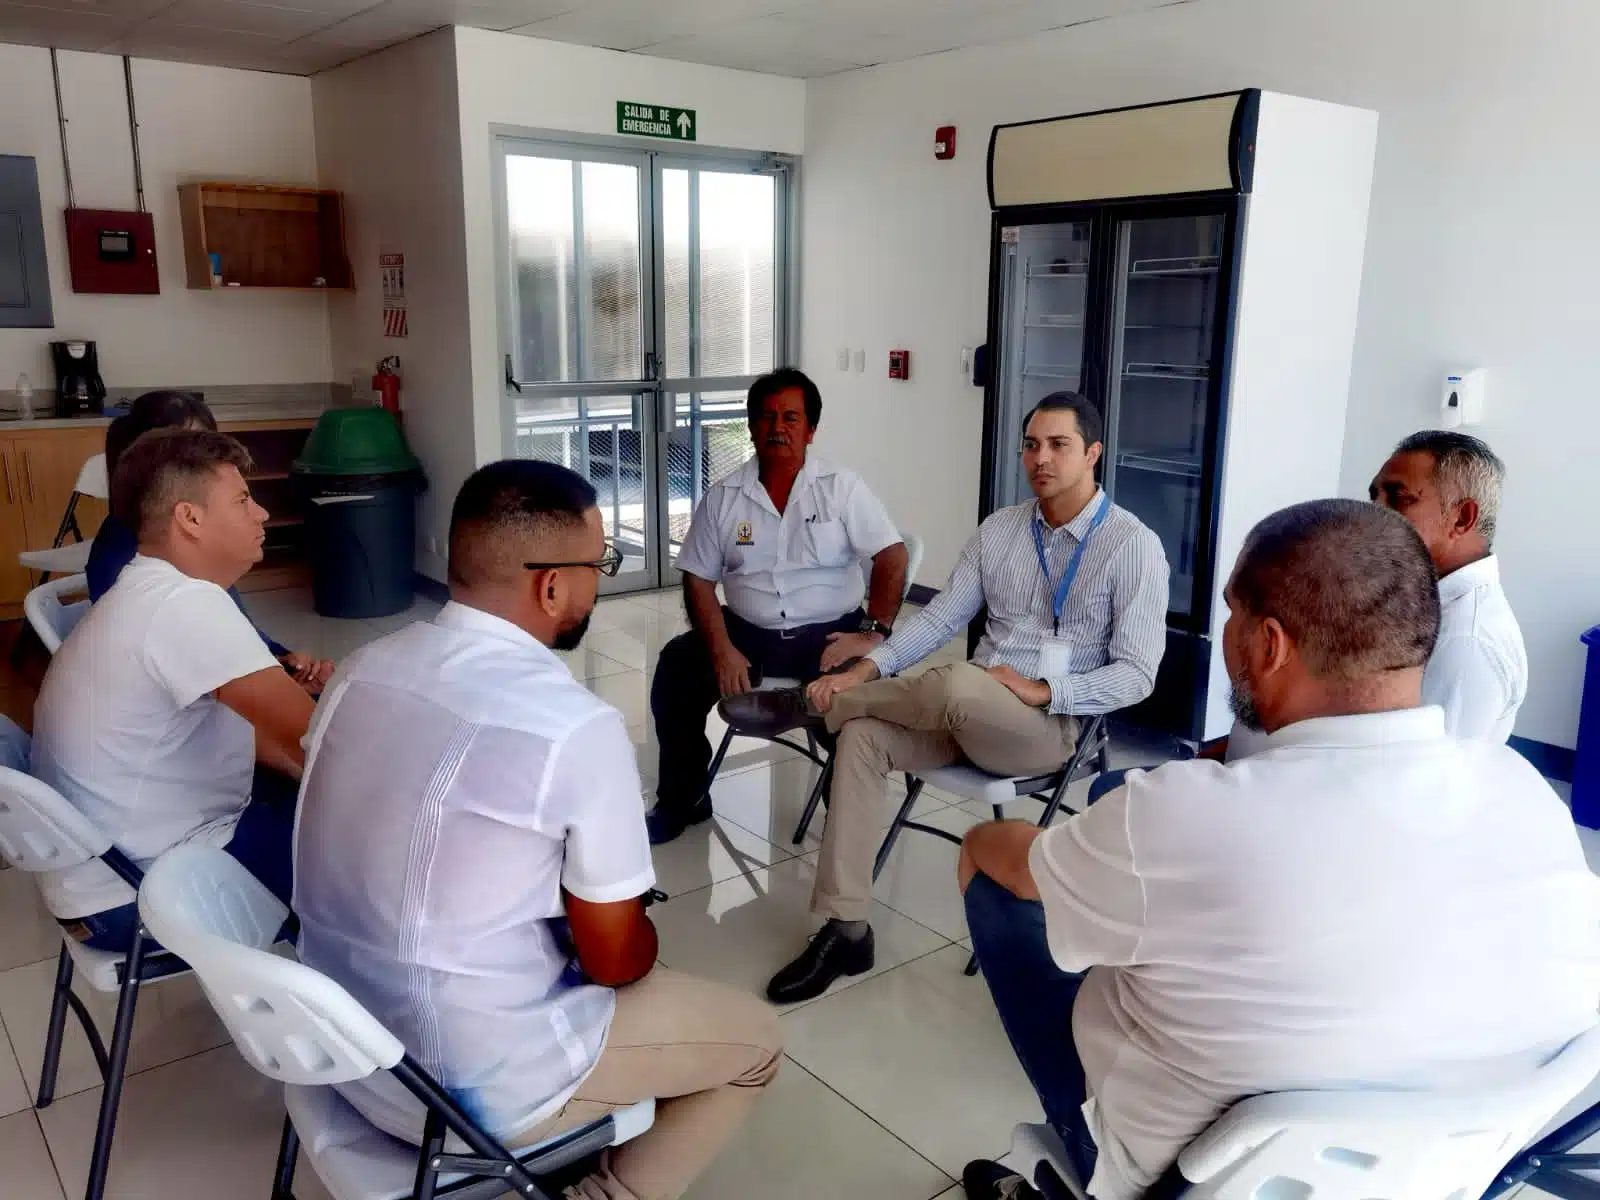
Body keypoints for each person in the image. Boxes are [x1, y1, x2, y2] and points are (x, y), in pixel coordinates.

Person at [956, 499, 1600, 1200]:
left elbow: (1005, 857)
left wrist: (1004, 842)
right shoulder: (1525, 791)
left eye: (1232, 615)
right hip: (1423, 1179)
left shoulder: (1185, 814)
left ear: (1268, 645)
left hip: (1168, 1171)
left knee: (995, 878)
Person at [293, 459, 783, 1200]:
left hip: (336, 1050)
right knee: (757, 1043)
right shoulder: (573, 727)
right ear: (552, 586)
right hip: (466, 1087)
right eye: (599, 565)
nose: (599, 583)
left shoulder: (361, 669)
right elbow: (615, 961)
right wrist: (633, 931)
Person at [758, 391, 1168, 1005]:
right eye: (1031, 445)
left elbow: (1138, 675)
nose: (1041, 459)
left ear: (1092, 453)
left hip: (1047, 727)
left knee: (954, 682)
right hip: (960, 712)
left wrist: (1046, 689)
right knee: (866, 738)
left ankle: (821, 704)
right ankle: (846, 930)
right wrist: (866, 665)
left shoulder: (1132, 545)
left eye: (1058, 445)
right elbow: (939, 618)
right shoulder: (1000, 530)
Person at [31, 429, 316, 951]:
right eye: (242, 500)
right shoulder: (183, 605)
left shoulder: (142, 588)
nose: (262, 514)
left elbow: (270, 741)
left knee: (312, 796)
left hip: (99, 881)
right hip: (142, 894)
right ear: (190, 518)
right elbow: (318, 737)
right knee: (381, 862)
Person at [645, 367, 909, 845]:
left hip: (832, 636)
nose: (777, 428)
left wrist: (873, 632)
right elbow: (698, 578)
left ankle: (846, 818)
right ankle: (683, 799)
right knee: (677, 670)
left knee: (855, 710)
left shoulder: (841, 488)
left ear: (810, 430)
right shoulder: (724, 497)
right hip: (747, 635)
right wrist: (722, 650)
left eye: (790, 418)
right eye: (766, 417)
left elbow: (891, 556)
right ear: (750, 427)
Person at [86, 390, 333, 695]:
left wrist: (280, 661)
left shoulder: (187, 554)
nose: (262, 514)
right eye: (240, 501)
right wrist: (282, 682)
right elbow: (215, 676)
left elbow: (232, 634)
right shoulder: (149, 579)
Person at [1370, 429, 1526, 741]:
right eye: (1375, 497)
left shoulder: (1466, 642)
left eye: (1399, 498)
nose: (1375, 514)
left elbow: (1427, 766)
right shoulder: (1422, 597)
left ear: (1462, 519)